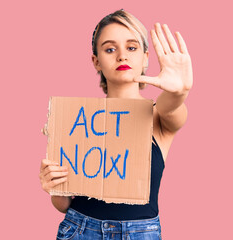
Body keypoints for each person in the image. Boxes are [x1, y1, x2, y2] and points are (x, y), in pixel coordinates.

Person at [39, 9, 193, 239]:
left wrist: (180, 92)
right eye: (110, 49)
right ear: (96, 61)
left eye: (131, 48)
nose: (122, 56)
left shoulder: (160, 116)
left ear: (145, 57)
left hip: (141, 233)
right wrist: (52, 185)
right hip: (80, 229)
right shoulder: (76, 119)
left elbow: (172, 108)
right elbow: (64, 204)